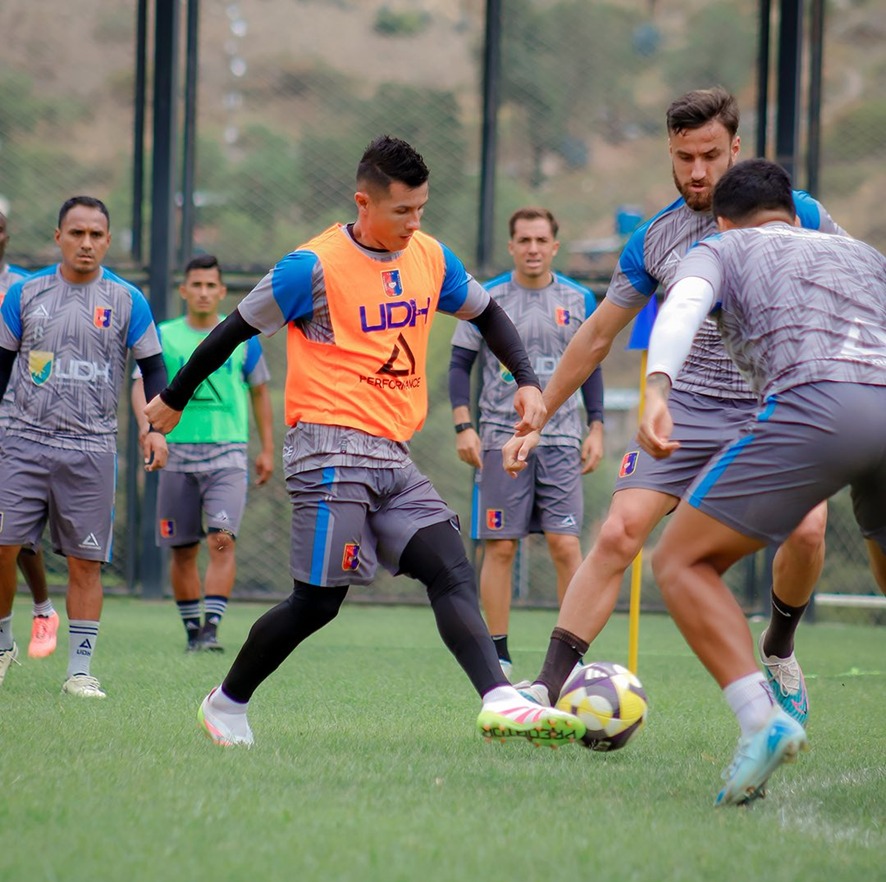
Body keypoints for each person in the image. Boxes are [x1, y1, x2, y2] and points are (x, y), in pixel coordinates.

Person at [144, 135, 585, 747]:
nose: (414, 222)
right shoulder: (311, 268)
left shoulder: (430, 256)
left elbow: (488, 314)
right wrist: (172, 398)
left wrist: (529, 382)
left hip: (390, 453)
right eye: (402, 211)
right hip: (326, 447)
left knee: (451, 566)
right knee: (318, 603)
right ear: (364, 203)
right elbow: (233, 330)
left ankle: (500, 701)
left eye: (421, 209)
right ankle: (225, 703)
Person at [503, 87, 847, 725]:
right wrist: (540, 414)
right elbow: (599, 334)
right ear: (669, 150)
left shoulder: (795, 213)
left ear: (735, 148)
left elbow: (852, 280)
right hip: (684, 406)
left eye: (711, 155)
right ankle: (547, 688)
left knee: (808, 530)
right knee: (618, 532)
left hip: (775, 404)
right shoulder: (655, 238)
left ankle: (779, 647)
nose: (696, 171)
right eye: (683, 156)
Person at [637, 157, 886, 804]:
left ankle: (760, 720)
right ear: (791, 208)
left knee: (682, 561)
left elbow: (685, 305)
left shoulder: (721, 246)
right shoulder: (859, 253)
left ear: (721, 219)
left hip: (818, 405)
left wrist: (658, 388)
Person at [0, 196, 167, 697]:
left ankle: (79, 671)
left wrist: (154, 426)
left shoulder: (127, 300)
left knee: (85, 562)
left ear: (108, 241)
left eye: (96, 235)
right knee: (2, 546)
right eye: (76, 233)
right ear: (58, 237)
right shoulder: (25, 294)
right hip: (22, 441)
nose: (86, 243)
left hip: (91, 448)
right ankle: (3, 645)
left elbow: (153, 368)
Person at [449, 206, 604, 681]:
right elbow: (459, 365)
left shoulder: (578, 299)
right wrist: (463, 425)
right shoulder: (486, 298)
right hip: (501, 439)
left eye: (542, 240)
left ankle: (572, 657)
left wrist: (596, 425)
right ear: (512, 246)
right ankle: (499, 654)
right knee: (499, 547)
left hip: (561, 440)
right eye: (524, 240)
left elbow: (592, 364)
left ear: (554, 246)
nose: (533, 248)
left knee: (564, 544)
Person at [132, 255, 275, 653]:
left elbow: (260, 392)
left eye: (211, 285)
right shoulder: (164, 335)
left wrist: (266, 447)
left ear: (222, 292)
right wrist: (150, 430)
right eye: (196, 285)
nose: (203, 292)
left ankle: (211, 629)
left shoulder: (242, 337)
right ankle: (192, 630)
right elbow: (141, 385)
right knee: (182, 550)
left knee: (222, 540)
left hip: (228, 453)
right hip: (175, 452)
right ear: (183, 290)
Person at [0, 211, 59, 659]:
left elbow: (44, 353)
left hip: (17, 421)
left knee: (14, 536)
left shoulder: (25, 288)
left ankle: (42, 608)